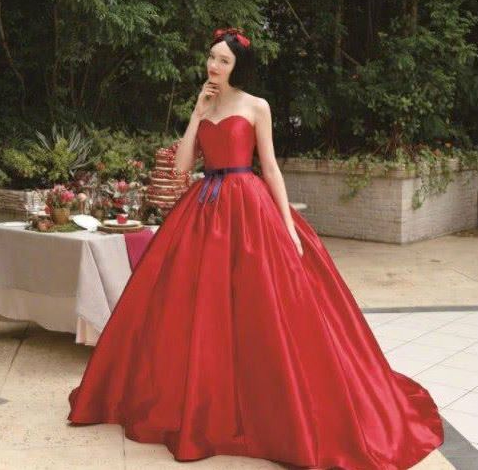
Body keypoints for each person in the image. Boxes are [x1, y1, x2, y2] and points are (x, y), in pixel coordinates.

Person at [67, 27, 444, 470]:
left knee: (260, 304)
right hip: (203, 208)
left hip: (249, 207)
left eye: (223, 61)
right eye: (211, 58)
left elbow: (271, 168)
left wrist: (287, 226)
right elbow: (183, 166)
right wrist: (196, 114)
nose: (214, 66)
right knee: (194, 307)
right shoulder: (205, 105)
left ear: (238, 67)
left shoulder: (255, 106)